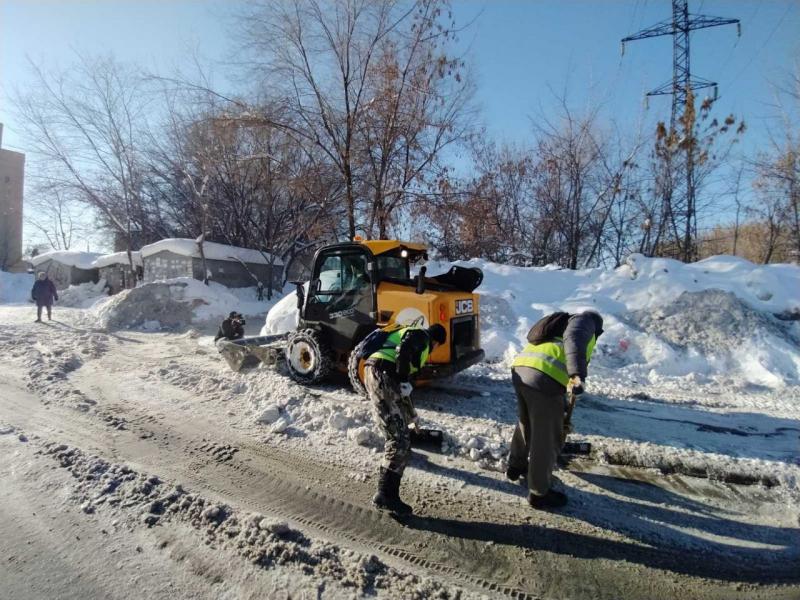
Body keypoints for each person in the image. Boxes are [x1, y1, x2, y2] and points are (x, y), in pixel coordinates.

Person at [506, 310, 604, 509]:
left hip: (522, 370)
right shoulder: (584, 321)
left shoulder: (559, 326)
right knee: (547, 437)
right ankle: (539, 493)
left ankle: (516, 466)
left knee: (526, 423)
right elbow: (575, 342)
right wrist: (577, 376)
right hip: (543, 377)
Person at [364, 323, 447, 515]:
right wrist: (402, 380)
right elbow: (405, 350)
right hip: (382, 373)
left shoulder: (410, 345)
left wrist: (412, 415)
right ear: (436, 341)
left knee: (399, 435)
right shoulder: (421, 336)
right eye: (437, 346)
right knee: (398, 440)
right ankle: (385, 494)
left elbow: (403, 389)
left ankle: (387, 493)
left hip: (379, 373)